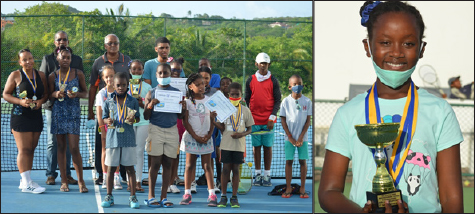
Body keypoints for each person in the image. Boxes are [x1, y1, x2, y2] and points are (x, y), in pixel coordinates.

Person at [318, 1, 464, 213]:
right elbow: (328, 191)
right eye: (385, 42)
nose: (396, 53)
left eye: (408, 44)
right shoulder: (347, 114)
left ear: (422, 49)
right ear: (367, 47)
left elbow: (452, 199)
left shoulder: (440, 111)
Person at [39, 30, 82, 186]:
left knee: (70, 144)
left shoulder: (76, 60)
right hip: (53, 107)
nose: (62, 42)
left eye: (64, 39)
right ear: (54, 42)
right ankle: (51, 174)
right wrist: (54, 93)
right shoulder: (47, 59)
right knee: (53, 142)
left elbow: (80, 83)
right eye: (59, 40)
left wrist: (73, 93)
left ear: (68, 42)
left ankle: (67, 174)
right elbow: (43, 82)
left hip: (71, 108)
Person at [88, 34, 132, 186]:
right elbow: (93, 86)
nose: (113, 45)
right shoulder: (98, 63)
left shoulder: (128, 61)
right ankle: (104, 175)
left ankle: (118, 176)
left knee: (120, 148)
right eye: (110, 43)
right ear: (105, 45)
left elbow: (133, 85)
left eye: (116, 43)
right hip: (105, 122)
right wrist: (91, 112)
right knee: (104, 148)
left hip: (120, 121)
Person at [3, 49, 48, 194]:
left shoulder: (40, 75)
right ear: (20, 62)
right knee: (24, 150)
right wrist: (20, 102)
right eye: (25, 60)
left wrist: (41, 101)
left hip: (36, 116)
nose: (28, 62)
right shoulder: (15, 75)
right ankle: (27, 183)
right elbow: (6, 94)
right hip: (20, 116)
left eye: (30, 58)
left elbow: (46, 94)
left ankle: (25, 180)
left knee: (31, 149)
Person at [48, 46, 89, 193]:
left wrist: (76, 95)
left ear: (71, 59)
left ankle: (81, 181)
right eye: (63, 57)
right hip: (58, 113)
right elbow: (49, 94)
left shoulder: (78, 74)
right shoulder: (53, 75)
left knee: (74, 148)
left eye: (68, 58)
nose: (66, 60)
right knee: (60, 147)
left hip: (73, 114)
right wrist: (56, 93)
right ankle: (63, 181)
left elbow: (85, 93)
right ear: (57, 59)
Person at [142, 63, 184, 208]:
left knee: (168, 164)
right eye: (160, 73)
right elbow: (146, 116)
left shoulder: (177, 93)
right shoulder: (151, 93)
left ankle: (164, 196)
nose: (163, 76)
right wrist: (149, 106)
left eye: (165, 73)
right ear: (156, 75)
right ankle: (151, 196)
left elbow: (180, 116)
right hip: (156, 130)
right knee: (155, 164)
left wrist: (183, 107)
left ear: (170, 74)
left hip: (172, 130)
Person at [100, 72, 140, 209]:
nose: (121, 87)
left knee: (130, 169)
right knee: (111, 168)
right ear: (113, 85)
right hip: (113, 139)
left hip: (128, 139)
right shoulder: (108, 101)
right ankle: (109, 195)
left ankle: (133, 196)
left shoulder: (133, 101)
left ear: (128, 85)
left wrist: (133, 119)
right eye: (118, 85)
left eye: (124, 85)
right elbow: (104, 117)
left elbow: (138, 118)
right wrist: (107, 120)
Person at [213, 82, 254, 208]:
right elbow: (222, 128)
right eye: (232, 94)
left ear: (241, 95)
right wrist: (213, 120)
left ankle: (234, 197)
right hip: (226, 145)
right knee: (225, 170)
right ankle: (223, 196)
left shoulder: (245, 110)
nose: (235, 96)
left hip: (239, 145)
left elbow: (250, 129)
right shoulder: (224, 109)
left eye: (237, 94)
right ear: (228, 95)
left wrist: (241, 134)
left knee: (236, 170)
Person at [179, 73, 218, 207]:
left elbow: (212, 120)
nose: (202, 86)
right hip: (192, 138)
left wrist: (208, 135)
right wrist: (195, 136)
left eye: (203, 83)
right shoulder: (187, 102)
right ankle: (187, 193)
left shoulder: (210, 100)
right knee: (190, 165)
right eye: (198, 84)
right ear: (190, 87)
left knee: (207, 166)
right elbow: (185, 122)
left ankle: (212, 194)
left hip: (206, 137)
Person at [245, 52, 281, 187]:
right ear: (256, 64)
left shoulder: (273, 80)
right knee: (256, 148)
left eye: (265, 63)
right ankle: (258, 174)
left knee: (267, 147)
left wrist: (272, 117)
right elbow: (247, 99)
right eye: (261, 63)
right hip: (254, 120)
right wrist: (248, 117)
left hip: (268, 122)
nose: (263, 66)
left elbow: (278, 100)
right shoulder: (250, 80)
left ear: (268, 65)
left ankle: (267, 175)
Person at [279, 74, 311, 199]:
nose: (298, 86)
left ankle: (302, 187)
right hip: (289, 138)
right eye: (295, 84)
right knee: (289, 161)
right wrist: (290, 136)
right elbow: (282, 120)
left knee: (303, 161)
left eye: (300, 83)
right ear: (289, 87)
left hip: (303, 139)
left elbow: (308, 121)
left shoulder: (307, 101)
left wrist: (301, 137)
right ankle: (288, 187)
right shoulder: (285, 102)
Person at [126, 60, 152, 193]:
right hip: (128, 121)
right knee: (128, 151)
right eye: (134, 69)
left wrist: (140, 103)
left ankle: (138, 181)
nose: (136, 72)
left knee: (139, 151)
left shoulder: (148, 88)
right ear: (130, 71)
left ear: (143, 71)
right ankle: (129, 181)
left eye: (139, 69)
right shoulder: (125, 85)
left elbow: (149, 107)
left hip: (143, 122)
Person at [94, 65, 118, 190]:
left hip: (118, 126)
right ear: (103, 78)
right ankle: (104, 177)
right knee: (105, 150)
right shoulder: (101, 94)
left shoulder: (119, 91)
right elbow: (99, 113)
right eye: (107, 77)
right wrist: (102, 128)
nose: (110, 79)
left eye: (112, 76)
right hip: (105, 127)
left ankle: (116, 178)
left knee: (117, 151)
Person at [168, 57, 186, 193]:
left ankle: (174, 176)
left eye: (178, 70)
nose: (176, 72)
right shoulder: (162, 85)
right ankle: (167, 177)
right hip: (165, 121)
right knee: (164, 152)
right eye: (173, 69)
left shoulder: (185, 86)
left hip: (179, 122)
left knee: (177, 151)